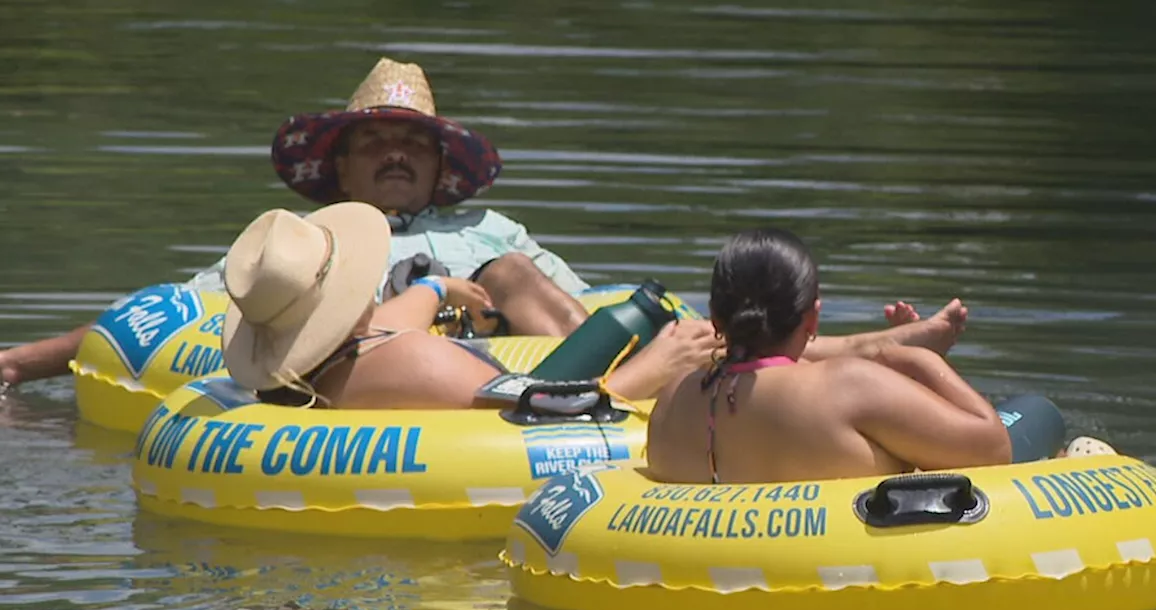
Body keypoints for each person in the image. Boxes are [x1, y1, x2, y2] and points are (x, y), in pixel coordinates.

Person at [0, 56, 702, 395]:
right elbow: (169, 313)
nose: (397, 153)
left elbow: (597, 306)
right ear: (339, 167)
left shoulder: (489, 231)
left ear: (439, 165)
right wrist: (21, 362)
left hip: (505, 362)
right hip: (365, 376)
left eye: (415, 143)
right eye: (375, 142)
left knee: (512, 273)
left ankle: (590, 396)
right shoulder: (306, 245)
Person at [221, 203, 711, 409]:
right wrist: (651, 368)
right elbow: (541, 414)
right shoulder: (414, 361)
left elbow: (381, 325)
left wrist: (437, 290)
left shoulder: (317, 371)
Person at [646, 228, 1015, 485]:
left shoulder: (673, 399)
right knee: (1033, 415)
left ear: (714, 316)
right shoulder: (848, 386)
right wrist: (918, 360)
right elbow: (996, 450)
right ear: (813, 317)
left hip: (713, 579)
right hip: (848, 580)